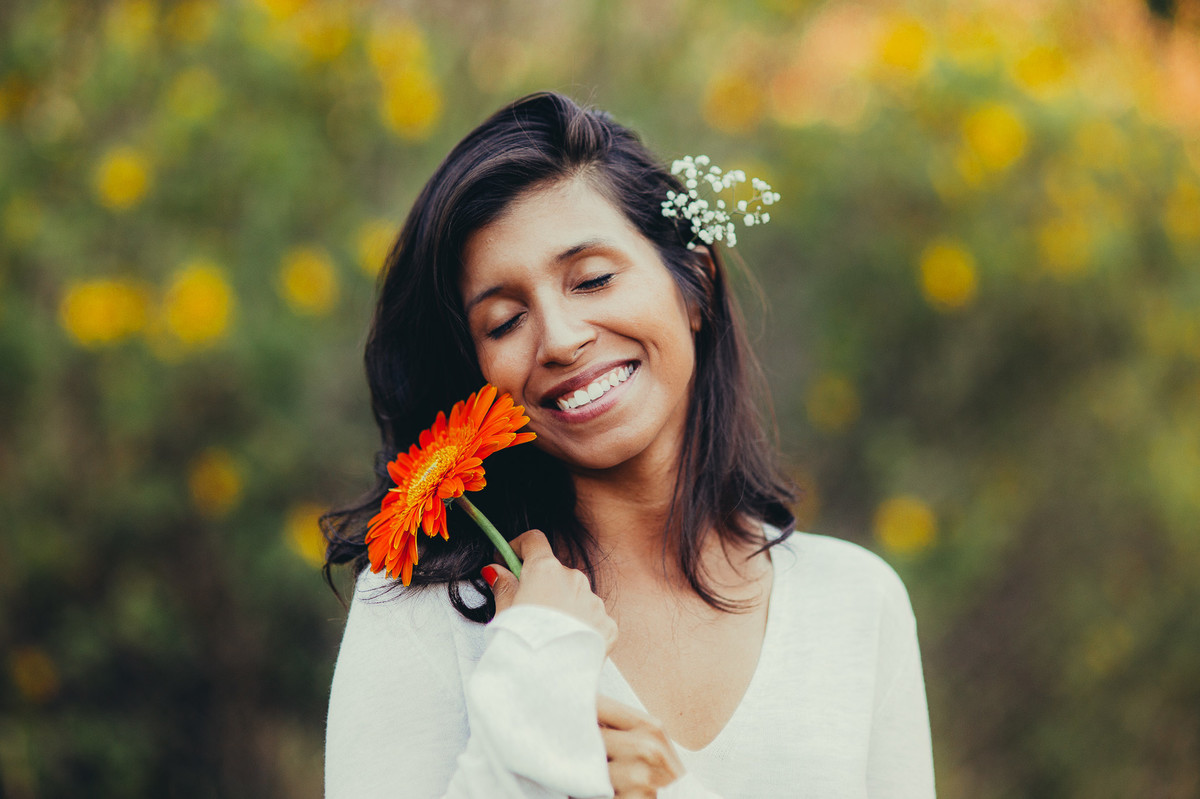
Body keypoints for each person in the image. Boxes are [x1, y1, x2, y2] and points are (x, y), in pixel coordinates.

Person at [322, 91, 936, 798]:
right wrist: (535, 666)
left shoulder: (856, 604)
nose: (560, 338)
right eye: (503, 320)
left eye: (592, 279)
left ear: (695, 284)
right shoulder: (422, 615)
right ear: (477, 373)